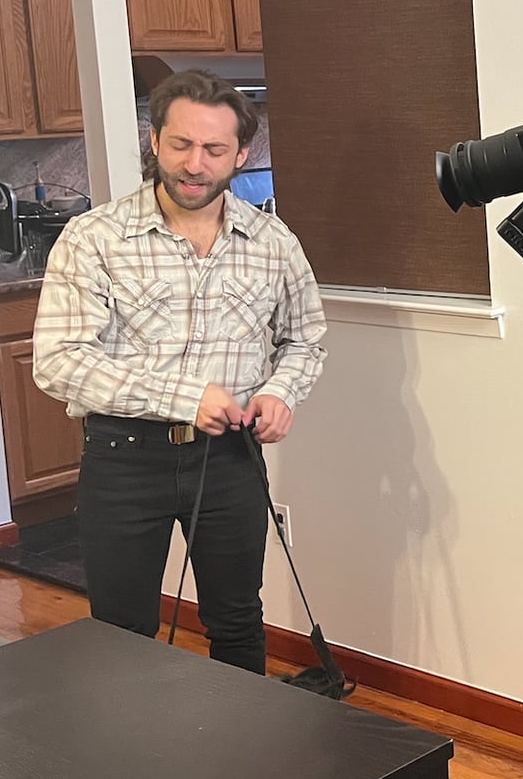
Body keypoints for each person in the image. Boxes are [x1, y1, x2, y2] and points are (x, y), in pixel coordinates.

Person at [34, 70, 327, 675]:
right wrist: (184, 396)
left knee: (239, 619)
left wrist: (279, 392)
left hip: (230, 460)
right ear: (155, 140)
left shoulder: (273, 242)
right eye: (180, 145)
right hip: (122, 457)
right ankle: (137, 767)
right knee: (122, 632)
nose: (195, 164)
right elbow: (59, 361)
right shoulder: (94, 238)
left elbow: (305, 338)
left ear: (241, 154)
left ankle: (241, 761)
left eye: (215, 150)